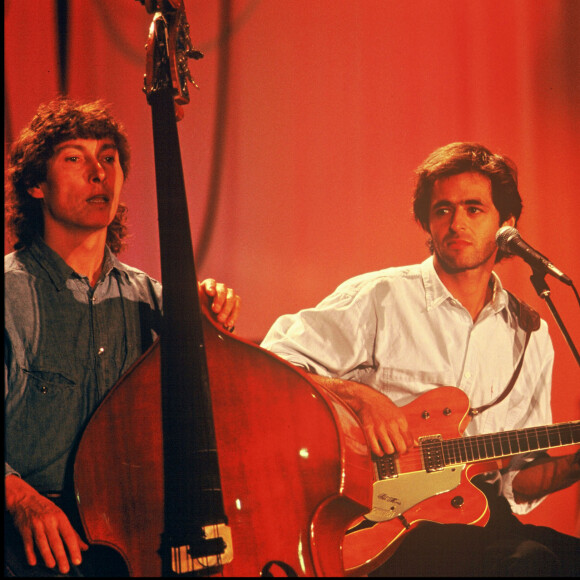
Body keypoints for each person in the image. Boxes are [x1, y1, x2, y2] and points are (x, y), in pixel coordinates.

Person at [261, 142, 580, 576]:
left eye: (473, 209)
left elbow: (516, 482)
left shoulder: (531, 334)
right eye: (443, 210)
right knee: (529, 564)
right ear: (427, 222)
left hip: (476, 514)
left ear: (506, 224)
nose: (456, 223)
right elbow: (274, 364)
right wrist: (359, 397)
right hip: (390, 522)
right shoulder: (381, 297)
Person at [4, 97, 241, 576]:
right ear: (35, 186)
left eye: (108, 158)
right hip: (30, 542)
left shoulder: (155, 301)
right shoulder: (9, 294)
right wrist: (21, 499)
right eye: (75, 158)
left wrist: (208, 325)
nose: (99, 173)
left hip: (136, 537)